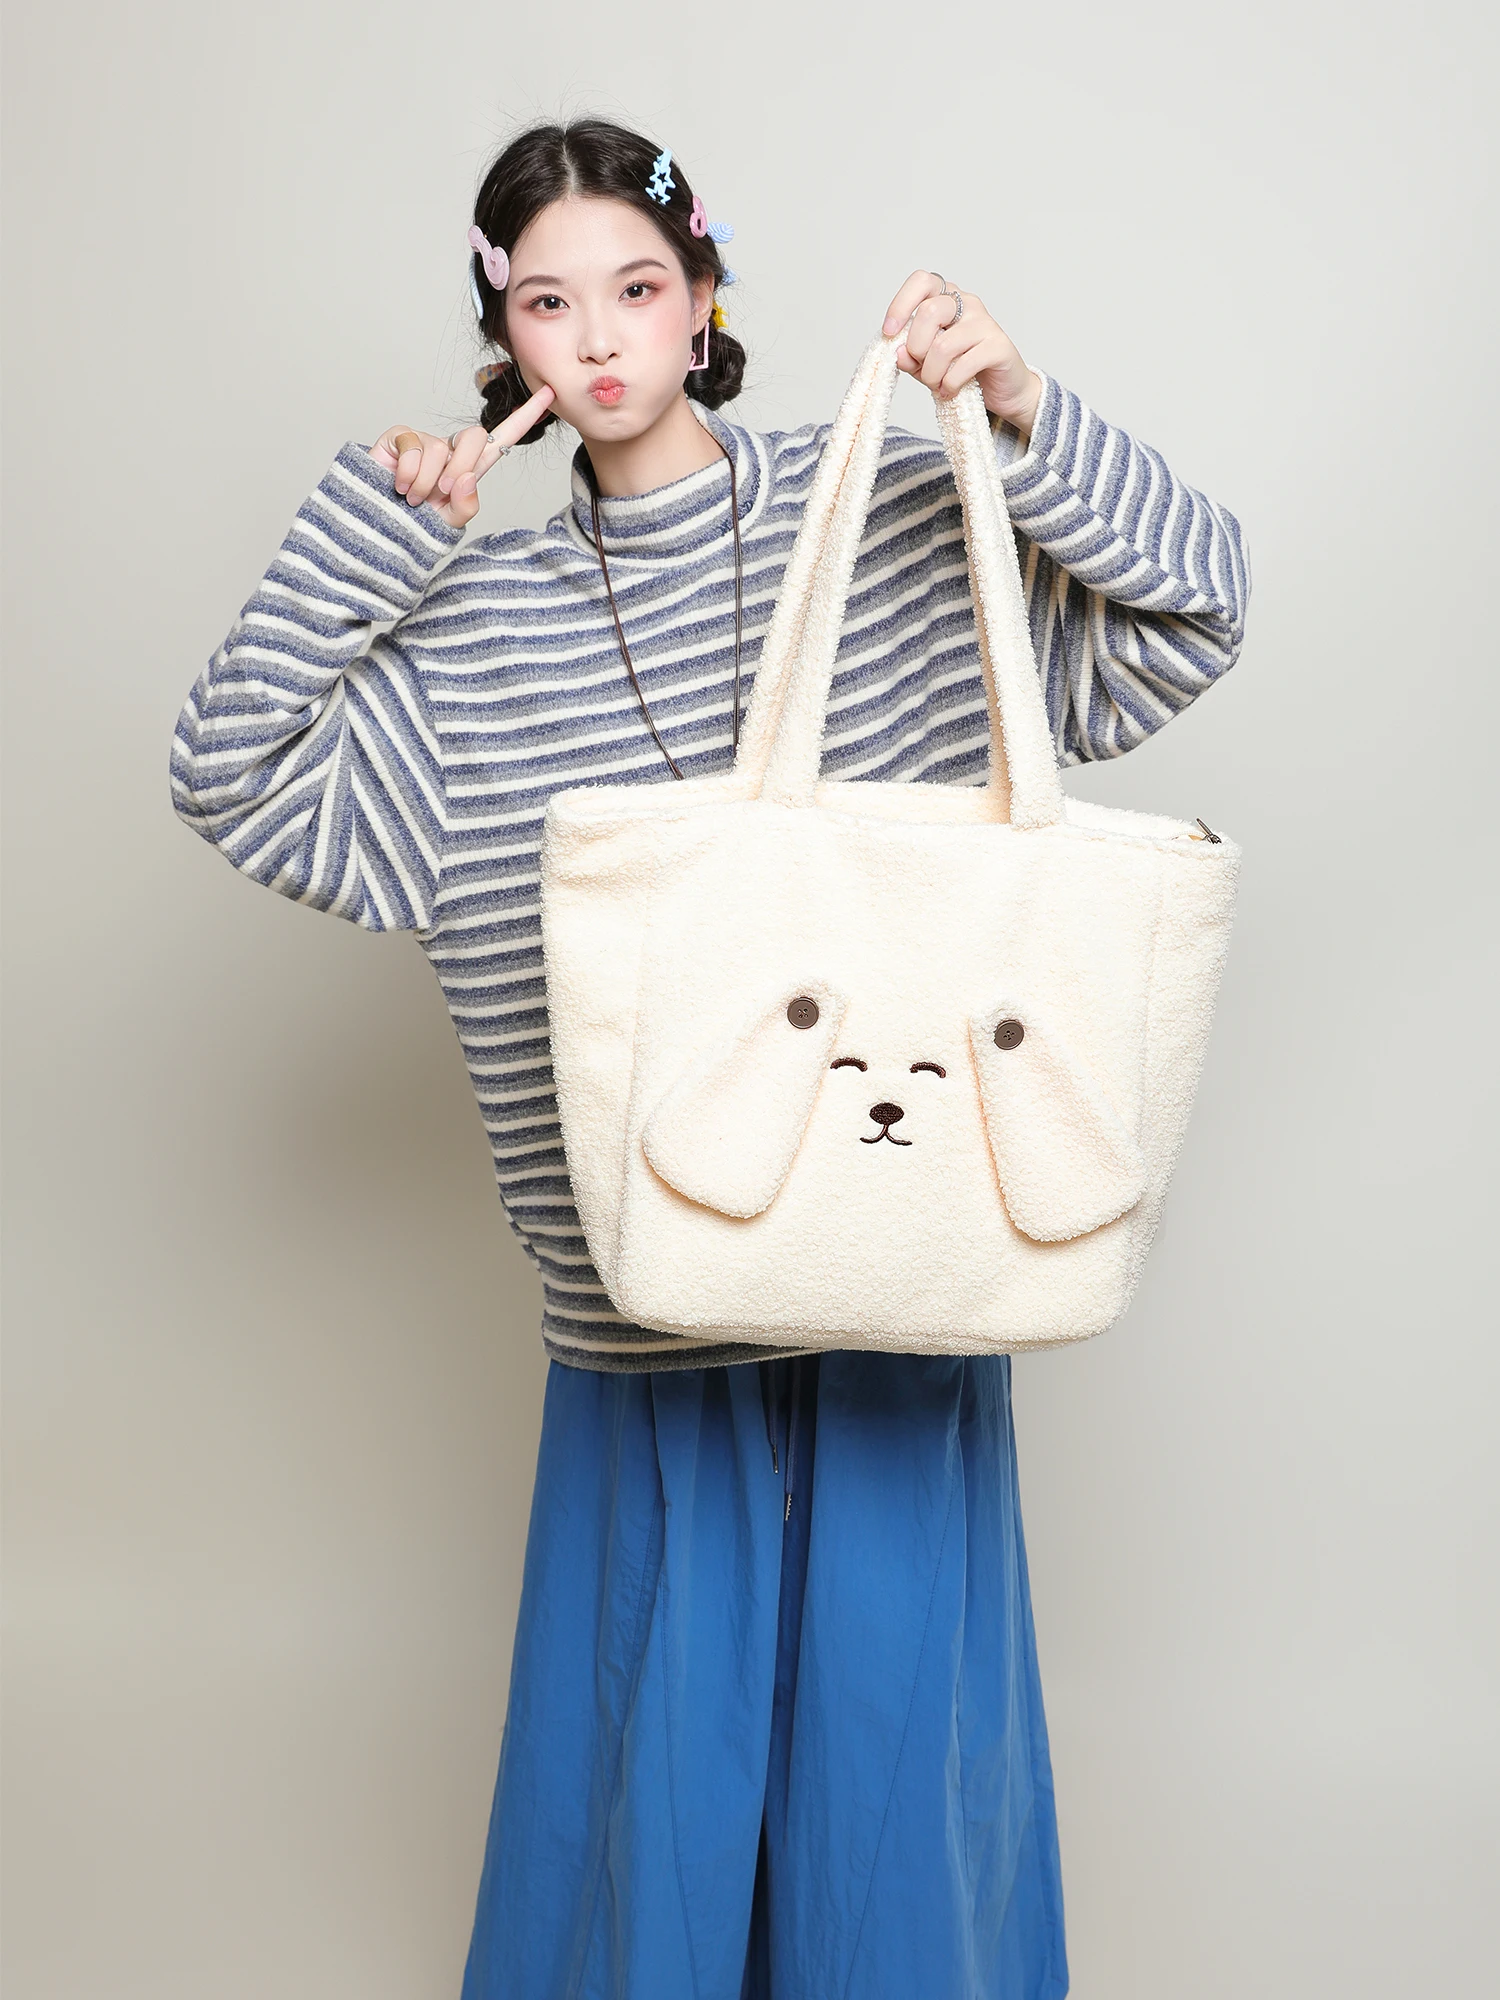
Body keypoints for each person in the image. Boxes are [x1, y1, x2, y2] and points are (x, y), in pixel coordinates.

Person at [171, 116, 1248, 2000]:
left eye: (636, 287)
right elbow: (234, 776)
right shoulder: (477, 633)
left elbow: (1195, 607)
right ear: (502, 338)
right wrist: (377, 533)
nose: (597, 339)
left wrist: (1016, 407)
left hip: (908, 1265)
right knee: (648, 1812)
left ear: (704, 298)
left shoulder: (890, 512)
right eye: (545, 303)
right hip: (648, 1303)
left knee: (896, 1799)